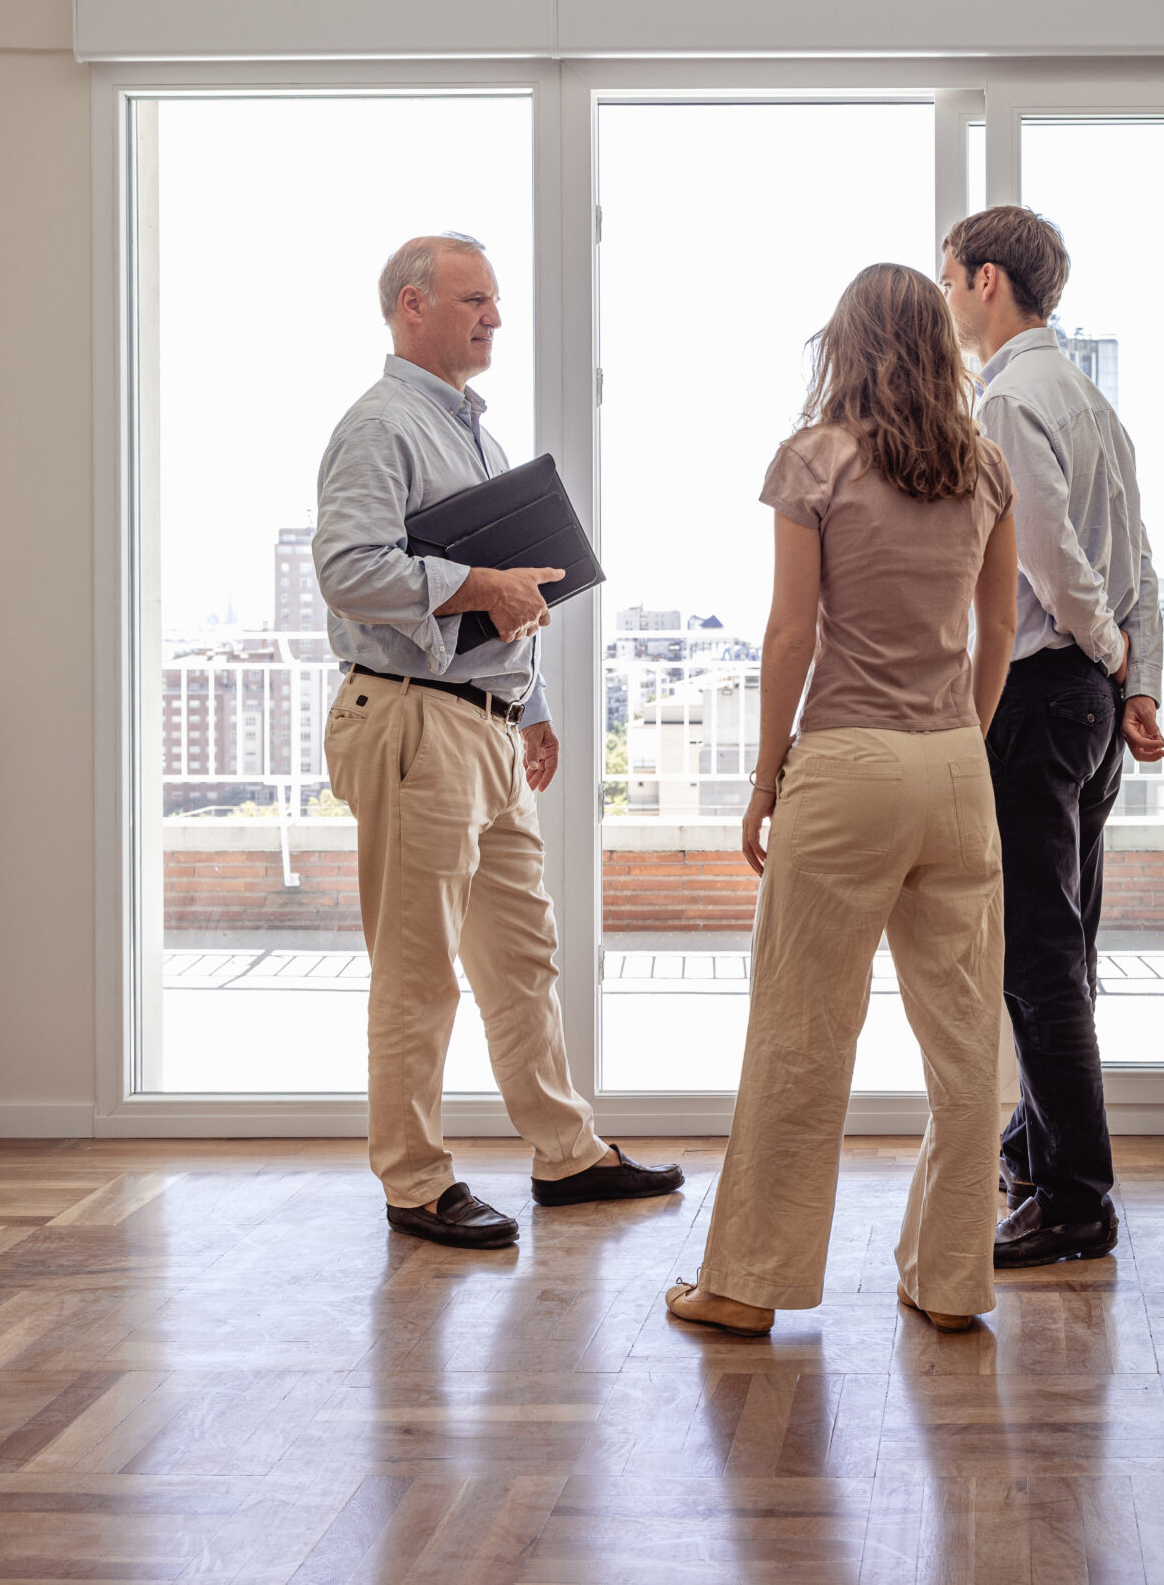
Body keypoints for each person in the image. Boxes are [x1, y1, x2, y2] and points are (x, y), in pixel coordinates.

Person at [663, 263, 1021, 1337]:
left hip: (848, 767)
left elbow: (791, 633)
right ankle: (950, 1280)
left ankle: (746, 1284)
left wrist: (766, 774)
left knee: (803, 1030)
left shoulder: (813, 459)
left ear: (845, 343)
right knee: (965, 1045)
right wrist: (962, 731)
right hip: (956, 766)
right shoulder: (985, 465)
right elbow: (997, 631)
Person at [316, 232, 682, 1249]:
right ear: (409, 308)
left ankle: (564, 1154)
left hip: (479, 727)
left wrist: (529, 708)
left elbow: (503, 597)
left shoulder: (469, 436)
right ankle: (415, 1182)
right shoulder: (379, 426)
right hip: (411, 720)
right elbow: (350, 569)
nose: (494, 318)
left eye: (495, 302)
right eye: (475, 300)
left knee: (522, 954)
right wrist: (485, 587)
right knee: (420, 966)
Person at [939, 206, 1164, 1269]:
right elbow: (1143, 564)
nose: (946, 301)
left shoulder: (1009, 397)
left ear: (987, 280)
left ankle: (1076, 1197)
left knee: (1033, 946)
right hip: (1088, 700)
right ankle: (1037, 1144)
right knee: (1064, 941)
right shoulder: (1088, 398)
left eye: (949, 279)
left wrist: (1100, 643)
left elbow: (1042, 555)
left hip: (1039, 693)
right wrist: (1132, 676)